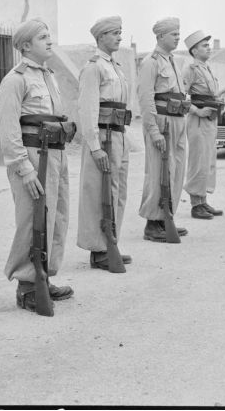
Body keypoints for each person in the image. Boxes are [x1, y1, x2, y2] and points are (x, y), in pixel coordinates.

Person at [0, 18, 74, 312]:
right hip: (32, 157)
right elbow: (8, 130)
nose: (50, 41)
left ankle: (44, 276)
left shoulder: (48, 76)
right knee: (32, 220)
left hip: (55, 153)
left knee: (55, 217)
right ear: (26, 45)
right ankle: (27, 286)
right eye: (43, 37)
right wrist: (23, 168)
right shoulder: (15, 80)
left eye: (49, 35)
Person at [77, 16, 133, 271]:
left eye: (120, 32)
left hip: (119, 134)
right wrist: (95, 146)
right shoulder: (94, 67)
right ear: (101, 38)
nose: (120, 37)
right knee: (99, 192)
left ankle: (112, 242)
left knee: (117, 191)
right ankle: (99, 249)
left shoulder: (116, 67)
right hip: (103, 136)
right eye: (114, 33)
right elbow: (87, 109)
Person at [137, 16, 189, 242]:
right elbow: (146, 99)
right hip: (162, 122)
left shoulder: (175, 61)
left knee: (177, 170)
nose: (178, 37)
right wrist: (153, 131)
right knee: (159, 171)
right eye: (173, 34)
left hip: (178, 120)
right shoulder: (151, 62)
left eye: (178, 33)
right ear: (160, 37)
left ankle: (168, 216)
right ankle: (153, 222)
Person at [183, 30, 223, 220]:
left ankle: (203, 200)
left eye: (208, 45)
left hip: (210, 119)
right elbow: (180, 97)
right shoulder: (190, 70)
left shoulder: (207, 68)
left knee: (208, 161)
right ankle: (195, 205)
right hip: (198, 119)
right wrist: (197, 111)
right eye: (204, 46)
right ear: (194, 50)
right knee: (198, 161)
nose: (208, 48)